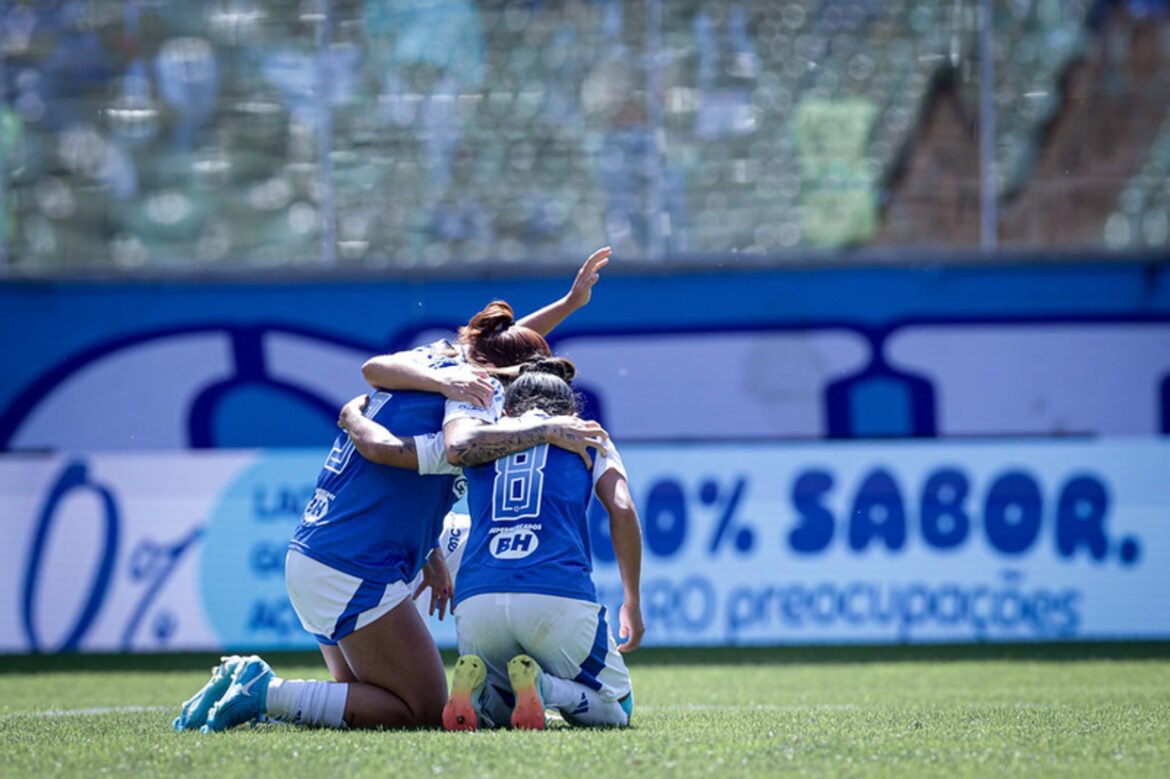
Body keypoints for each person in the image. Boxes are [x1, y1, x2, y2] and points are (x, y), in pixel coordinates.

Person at [173, 250, 612, 733]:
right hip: (351, 564)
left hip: (322, 551)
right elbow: (399, 446)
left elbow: (387, 368)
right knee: (418, 710)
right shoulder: (467, 411)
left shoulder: (440, 362)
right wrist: (544, 432)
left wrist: (570, 302)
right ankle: (265, 691)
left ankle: (247, 684)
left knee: (365, 702)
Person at [340, 358, 644, 730]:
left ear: (508, 408)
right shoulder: (586, 435)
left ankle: (481, 696)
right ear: (569, 410)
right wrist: (632, 601)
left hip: (477, 602)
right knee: (619, 708)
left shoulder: (477, 438)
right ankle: (547, 688)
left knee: (497, 710)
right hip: (555, 594)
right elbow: (622, 508)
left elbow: (401, 469)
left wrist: (354, 416)